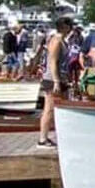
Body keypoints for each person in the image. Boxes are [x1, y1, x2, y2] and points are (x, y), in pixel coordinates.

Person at [38, 17, 73, 148]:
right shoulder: (56, 40)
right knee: (49, 109)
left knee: (61, 107)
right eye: (69, 26)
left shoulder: (63, 41)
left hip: (62, 77)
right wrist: (56, 81)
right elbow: (52, 61)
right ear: (65, 27)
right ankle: (42, 139)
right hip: (52, 79)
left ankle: (60, 135)